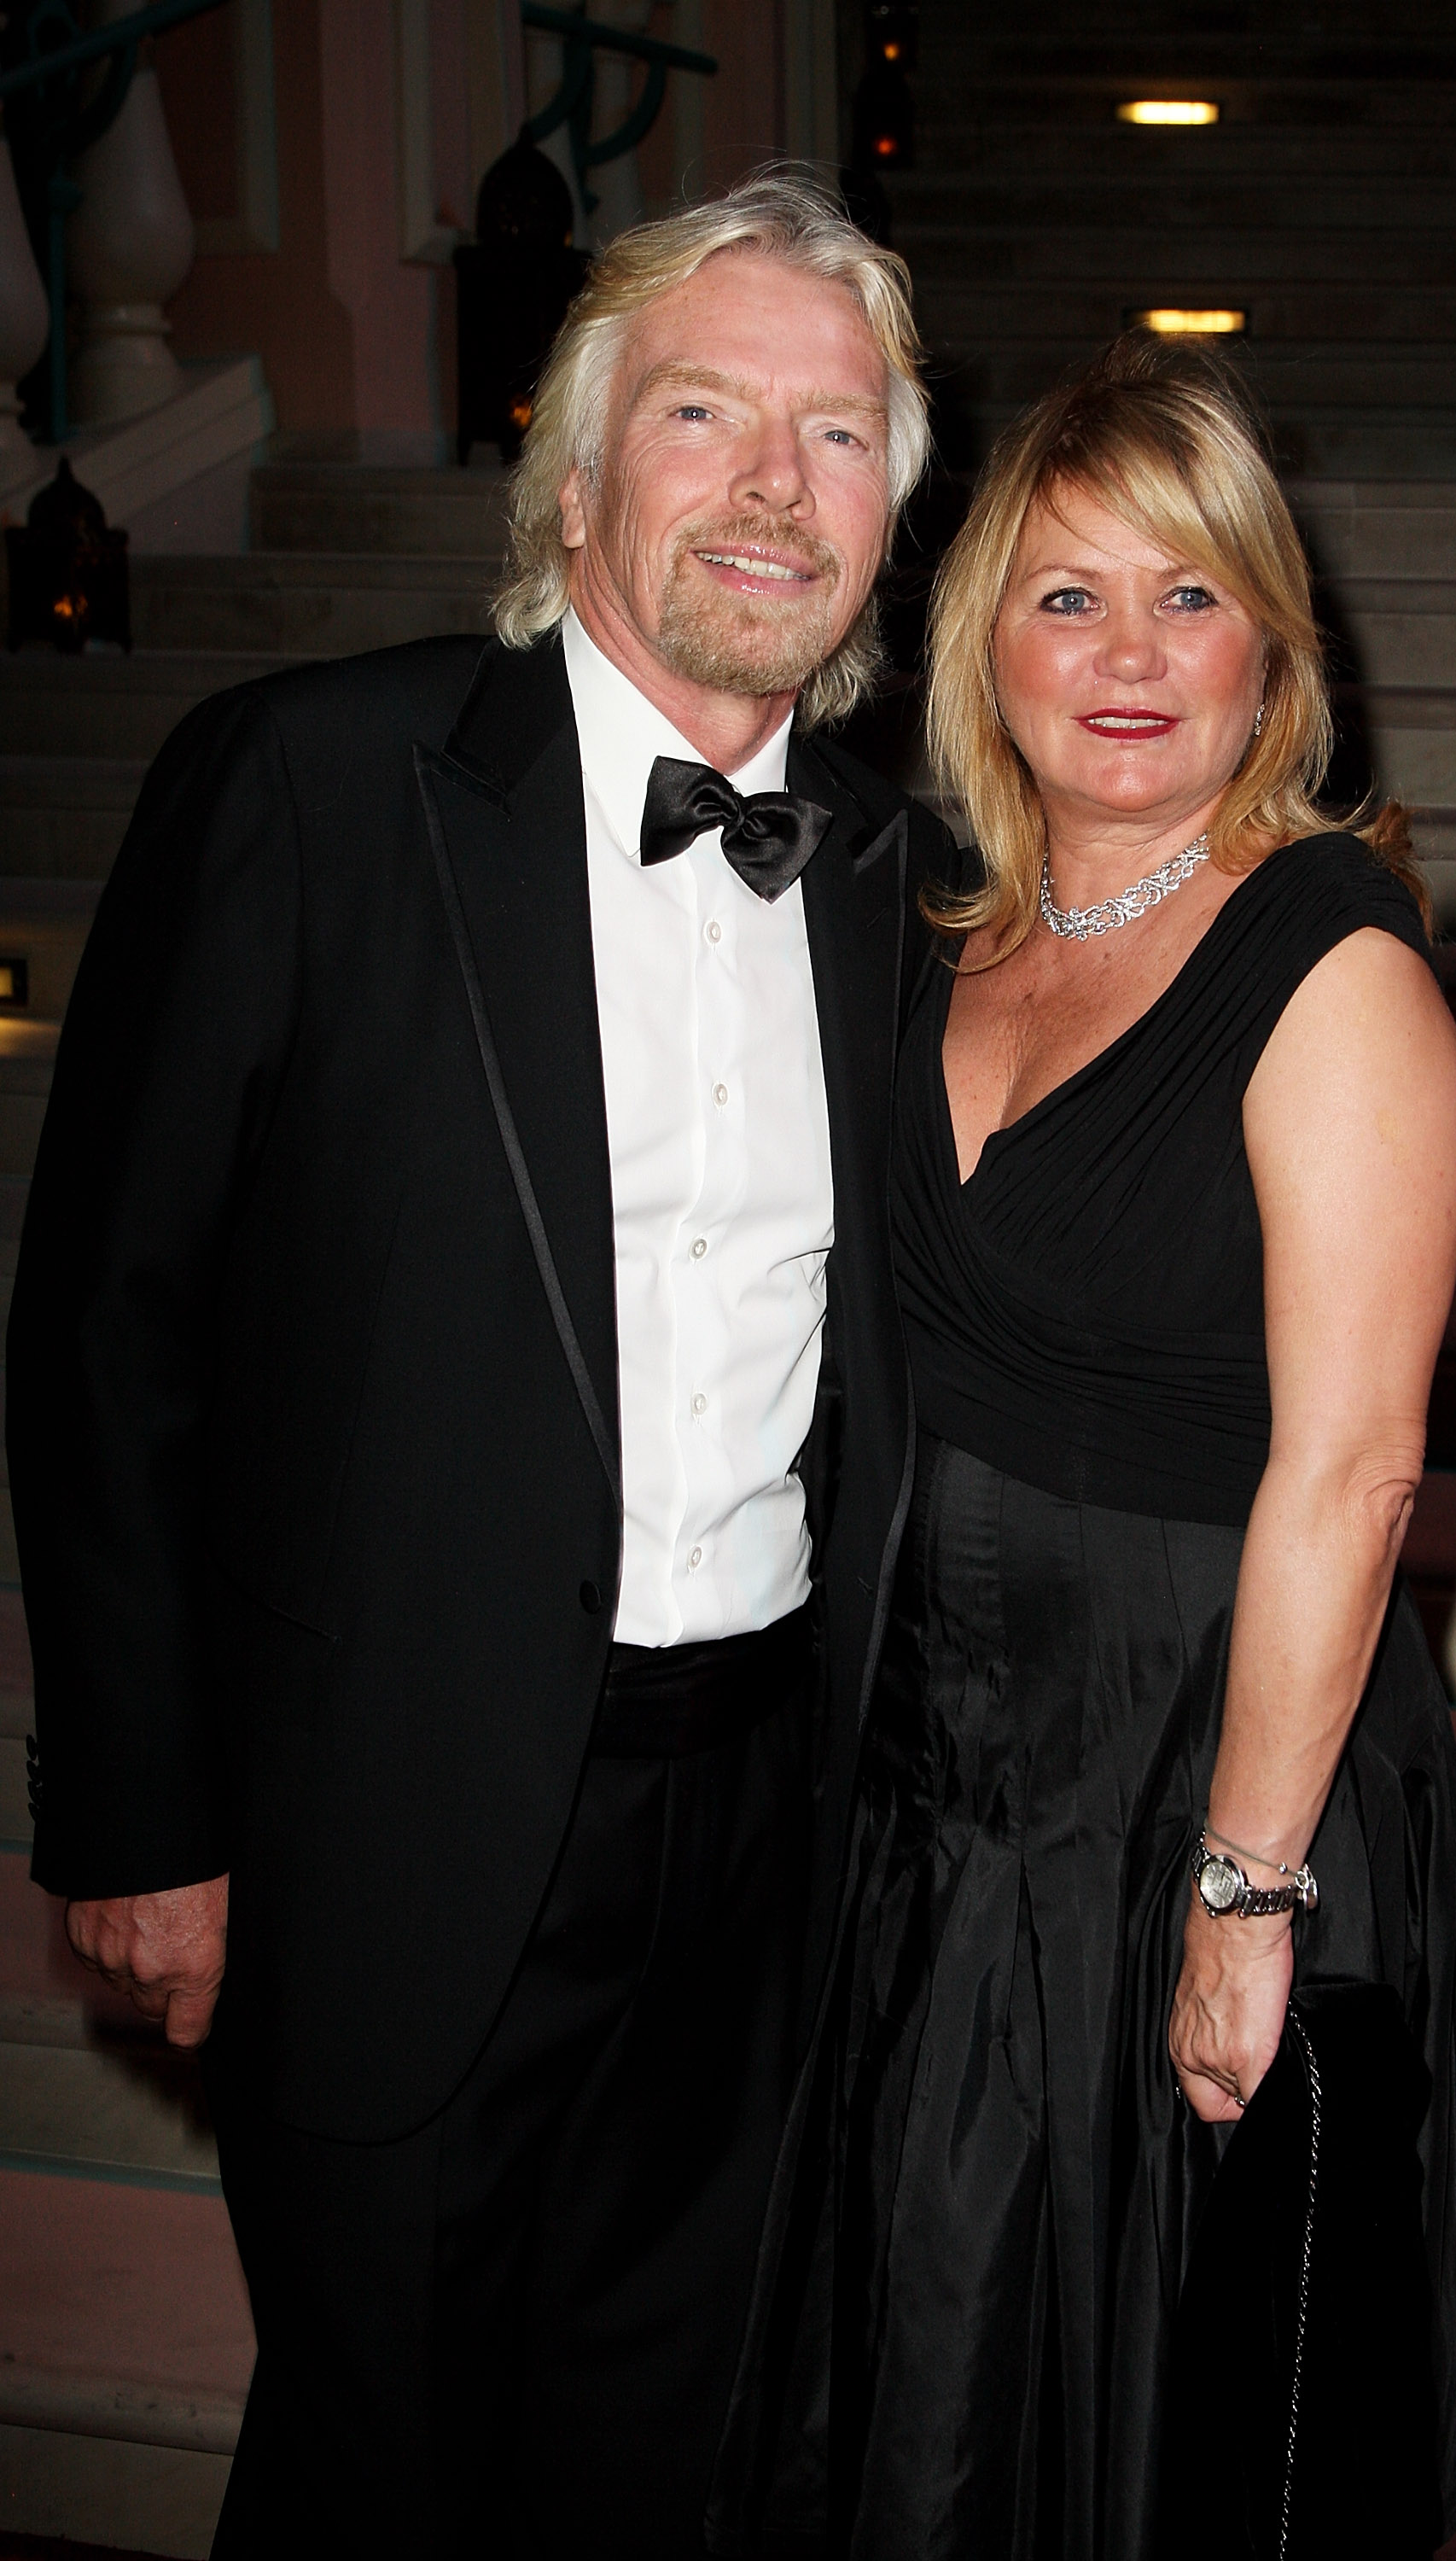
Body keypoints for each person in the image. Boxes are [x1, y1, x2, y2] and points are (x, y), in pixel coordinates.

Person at [9, 177, 955, 2558]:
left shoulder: (898, 876)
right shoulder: (310, 786)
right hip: (382, 1811)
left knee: (661, 2457)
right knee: (385, 2461)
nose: (773, 486)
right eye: (710, 412)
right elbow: (110, 1327)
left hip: (758, 1821)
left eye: (836, 436)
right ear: (575, 466)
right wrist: (138, 1810)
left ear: (891, 510)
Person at [708, 335, 1456, 2558]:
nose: (1130, 654)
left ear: (1273, 639)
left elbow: (1357, 1467)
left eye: (1190, 595)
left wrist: (1245, 1892)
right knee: (944, 2398)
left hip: (1213, 1773)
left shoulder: (1331, 957)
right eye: (1069, 594)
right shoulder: (934, 937)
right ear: (981, 632)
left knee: (1181, 2449)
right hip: (940, 1795)